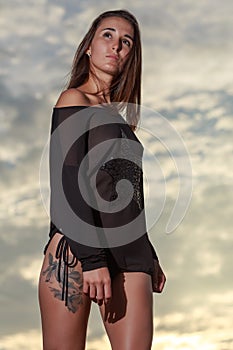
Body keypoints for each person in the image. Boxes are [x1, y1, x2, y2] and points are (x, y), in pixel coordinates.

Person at [38, 9, 166, 350]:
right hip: (78, 251)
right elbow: (67, 181)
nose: (116, 46)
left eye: (126, 41)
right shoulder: (73, 101)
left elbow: (126, 193)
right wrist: (92, 259)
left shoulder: (121, 120)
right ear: (88, 48)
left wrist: (149, 253)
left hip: (130, 254)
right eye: (107, 35)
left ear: (131, 56)